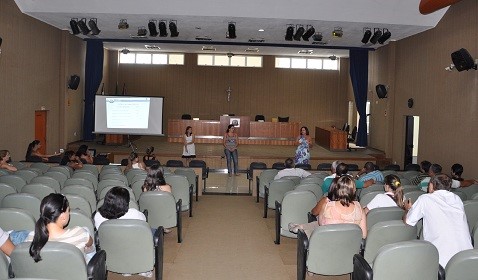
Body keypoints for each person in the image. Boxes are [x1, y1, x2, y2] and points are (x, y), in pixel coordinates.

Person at [403, 174, 472, 267]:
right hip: (467, 257)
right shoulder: (457, 199)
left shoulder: (425, 198)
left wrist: (408, 209)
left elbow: (408, 221)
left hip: (441, 262)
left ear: (431, 185)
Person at [289, 176, 367, 238]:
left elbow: (321, 223)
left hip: (328, 240)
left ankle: (301, 228)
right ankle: (300, 227)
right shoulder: (359, 207)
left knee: (314, 231)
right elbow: (363, 235)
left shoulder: (329, 205)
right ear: (354, 190)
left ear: (337, 189)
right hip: (349, 243)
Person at [26, 194, 95, 262]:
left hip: (45, 272)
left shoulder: (32, 237)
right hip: (73, 271)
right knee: (86, 231)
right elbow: (90, 245)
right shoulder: (80, 233)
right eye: (68, 211)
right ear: (63, 216)